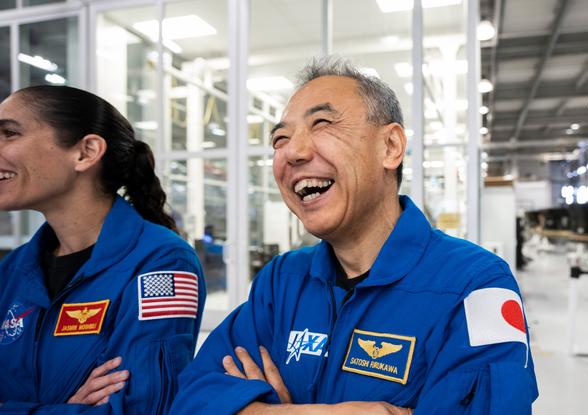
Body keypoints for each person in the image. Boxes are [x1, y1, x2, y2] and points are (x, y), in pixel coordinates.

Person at [170, 57, 538, 414]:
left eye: (322, 123)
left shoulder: (474, 284)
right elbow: (191, 398)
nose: (293, 151)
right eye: (280, 138)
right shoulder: (282, 281)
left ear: (390, 147)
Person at [0, 85, 206, 414]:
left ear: (86, 152)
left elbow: (143, 408)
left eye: (9, 133)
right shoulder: (13, 270)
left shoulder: (162, 263)